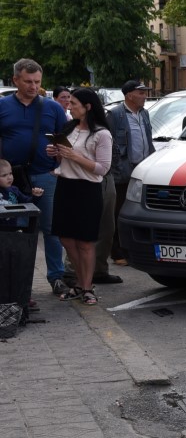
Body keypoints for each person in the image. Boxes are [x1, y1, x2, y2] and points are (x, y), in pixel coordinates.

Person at [0, 59, 71, 296]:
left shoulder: (53, 108)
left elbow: (64, 143)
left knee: (51, 228)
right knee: (10, 229)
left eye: (37, 82)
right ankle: (13, 283)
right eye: (28, 81)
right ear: (15, 80)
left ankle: (56, 277)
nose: (33, 86)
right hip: (9, 179)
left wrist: (58, 161)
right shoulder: (2, 106)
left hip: (45, 175)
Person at [45, 87, 112, 305]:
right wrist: (56, 154)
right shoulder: (69, 128)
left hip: (87, 189)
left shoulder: (101, 133)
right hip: (65, 185)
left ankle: (87, 287)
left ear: (87, 107)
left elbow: (102, 168)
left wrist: (74, 156)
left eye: (74, 103)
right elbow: (63, 160)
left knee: (85, 241)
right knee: (65, 238)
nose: (69, 106)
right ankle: (80, 283)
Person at [107, 79, 156, 266]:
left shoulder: (144, 113)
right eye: (141, 93)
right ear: (129, 95)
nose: (145, 96)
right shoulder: (115, 114)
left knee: (141, 211)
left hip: (143, 170)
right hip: (123, 170)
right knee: (119, 211)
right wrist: (114, 167)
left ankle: (138, 248)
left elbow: (148, 140)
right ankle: (116, 251)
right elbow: (108, 143)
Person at [0, 157, 44, 227]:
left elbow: (28, 203)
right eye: (4, 175)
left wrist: (36, 196)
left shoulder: (14, 190)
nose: (9, 177)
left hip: (13, 228)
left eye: (10, 173)